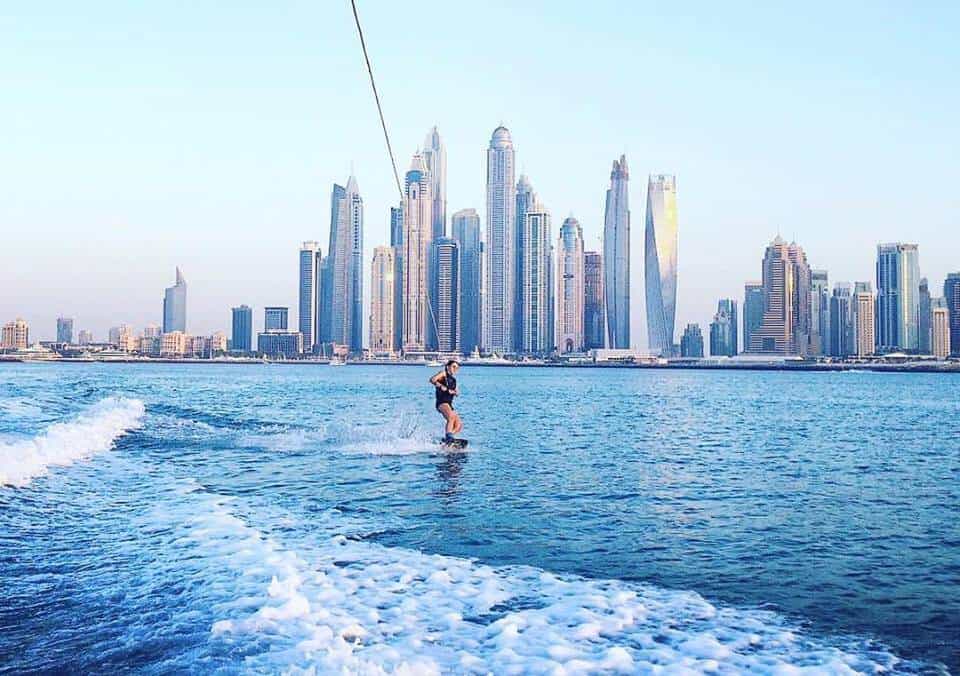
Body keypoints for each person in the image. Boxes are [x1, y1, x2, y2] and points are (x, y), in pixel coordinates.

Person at [429, 359, 462, 444]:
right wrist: (441, 386)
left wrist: (455, 392)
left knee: (458, 425)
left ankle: (448, 439)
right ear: (448, 367)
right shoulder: (443, 373)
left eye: (457, 368)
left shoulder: (454, 380)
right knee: (450, 417)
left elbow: (455, 391)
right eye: (453, 367)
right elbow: (432, 380)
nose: (455, 369)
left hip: (449, 404)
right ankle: (449, 437)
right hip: (442, 402)